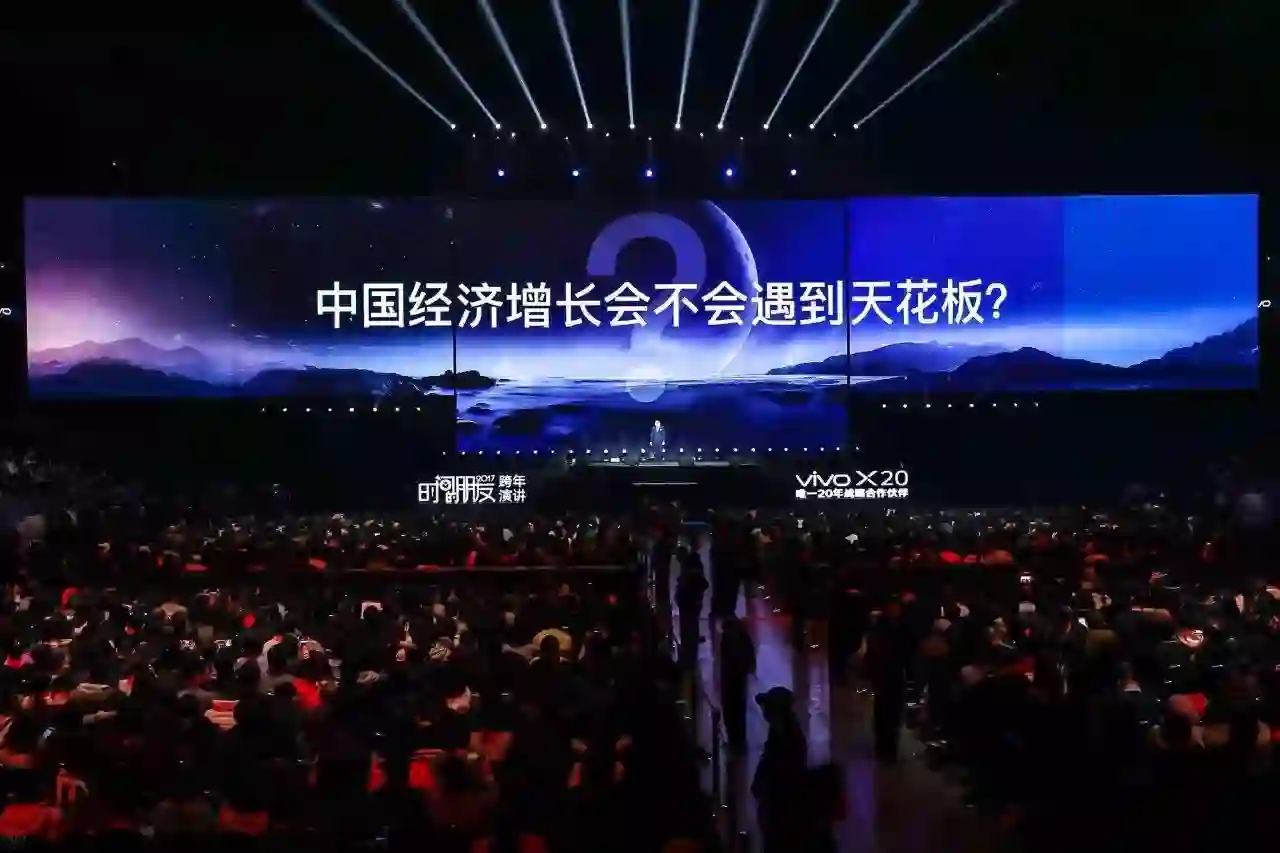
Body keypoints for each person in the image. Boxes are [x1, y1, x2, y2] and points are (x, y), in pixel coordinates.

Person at [751, 687, 807, 853]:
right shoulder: (780, 731)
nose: (764, 712)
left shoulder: (786, 738)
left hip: (779, 807)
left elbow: (777, 770)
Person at [866, 599, 912, 763]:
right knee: (885, 711)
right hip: (885, 673)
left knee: (892, 712)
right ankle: (883, 746)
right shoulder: (884, 628)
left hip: (894, 674)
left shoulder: (899, 628)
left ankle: (889, 747)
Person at [719, 615, 756, 753]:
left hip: (732, 678)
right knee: (737, 711)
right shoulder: (742, 637)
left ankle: (735, 742)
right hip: (737, 678)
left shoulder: (728, 638)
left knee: (731, 710)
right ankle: (738, 741)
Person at [675, 549, 708, 669]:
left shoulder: (691, 569)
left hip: (689, 604)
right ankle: (689, 660)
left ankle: (689, 662)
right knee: (690, 629)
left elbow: (701, 584)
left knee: (688, 631)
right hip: (689, 604)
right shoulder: (692, 568)